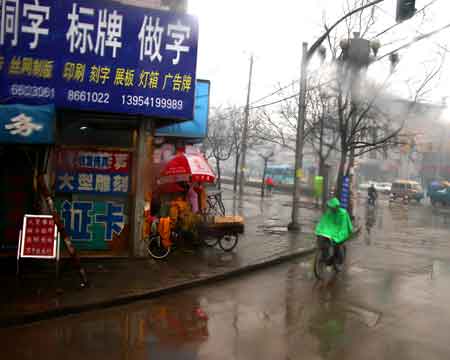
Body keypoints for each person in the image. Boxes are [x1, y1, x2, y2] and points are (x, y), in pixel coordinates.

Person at [315, 198, 353, 264]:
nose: (331, 208)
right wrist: (319, 230)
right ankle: (325, 257)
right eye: (331, 207)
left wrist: (338, 237)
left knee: (337, 245)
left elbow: (343, 227)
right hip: (331, 230)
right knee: (323, 240)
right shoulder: (329, 212)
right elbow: (324, 222)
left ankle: (338, 260)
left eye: (333, 207)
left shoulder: (343, 213)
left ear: (337, 206)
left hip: (341, 231)